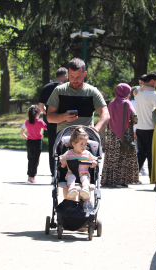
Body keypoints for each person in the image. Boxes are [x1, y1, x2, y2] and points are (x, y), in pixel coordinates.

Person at [47, 58, 110, 199]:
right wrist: (64, 116)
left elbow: (105, 114)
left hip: (84, 138)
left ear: (85, 74)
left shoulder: (92, 92)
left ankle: (85, 201)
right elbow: (50, 117)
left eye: (78, 77)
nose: (75, 80)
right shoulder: (59, 91)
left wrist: (96, 128)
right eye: (72, 76)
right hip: (65, 139)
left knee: (87, 170)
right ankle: (68, 202)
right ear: (67, 74)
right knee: (64, 173)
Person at [101, 83, 139, 188]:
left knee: (112, 157)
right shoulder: (127, 103)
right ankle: (121, 181)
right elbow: (135, 118)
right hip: (125, 134)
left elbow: (107, 117)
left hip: (112, 135)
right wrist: (130, 122)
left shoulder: (111, 104)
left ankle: (110, 180)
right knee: (124, 157)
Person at [38, 67, 68, 178]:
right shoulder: (66, 88)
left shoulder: (46, 87)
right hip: (65, 121)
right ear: (65, 76)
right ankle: (64, 173)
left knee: (52, 147)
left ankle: (53, 175)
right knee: (65, 146)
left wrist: (48, 114)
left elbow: (40, 106)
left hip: (51, 122)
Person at [135, 71, 156, 179]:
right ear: (152, 80)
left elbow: (136, 89)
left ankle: (133, 174)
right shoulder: (152, 94)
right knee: (151, 153)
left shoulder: (137, 91)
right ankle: (153, 177)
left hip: (139, 126)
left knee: (141, 152)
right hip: (149, 127)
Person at [60, 127, 97, 201]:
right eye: (81, 144)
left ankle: (85, 190)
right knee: (71, 178)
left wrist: (93, 163)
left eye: (85, 144)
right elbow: (61, 157)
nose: (84, 146)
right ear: (73, 144)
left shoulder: (87, 153)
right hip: (71, 173)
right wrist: (63, 161)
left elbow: (94, 160)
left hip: (84, 174)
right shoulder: (69, 153)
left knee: (86, 180)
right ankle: (71, 189)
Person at [20, 105, 47, 183]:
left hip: (29, 142)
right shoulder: (40, 122)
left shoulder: (27, 122)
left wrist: (27, 137)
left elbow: (21, 133)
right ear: (38, 113)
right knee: (36, 160)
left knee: (30, 158)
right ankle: (32, 176)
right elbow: (47, 127)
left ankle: (29, 175)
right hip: (37, 142)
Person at [131, 74, 148, 176]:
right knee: (139, 150)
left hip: (139, 128)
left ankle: (140, 168)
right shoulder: (133, 102)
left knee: (139, 149)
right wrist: (134, 130)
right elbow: (134, 117)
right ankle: (139, 168)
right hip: (137, 128)